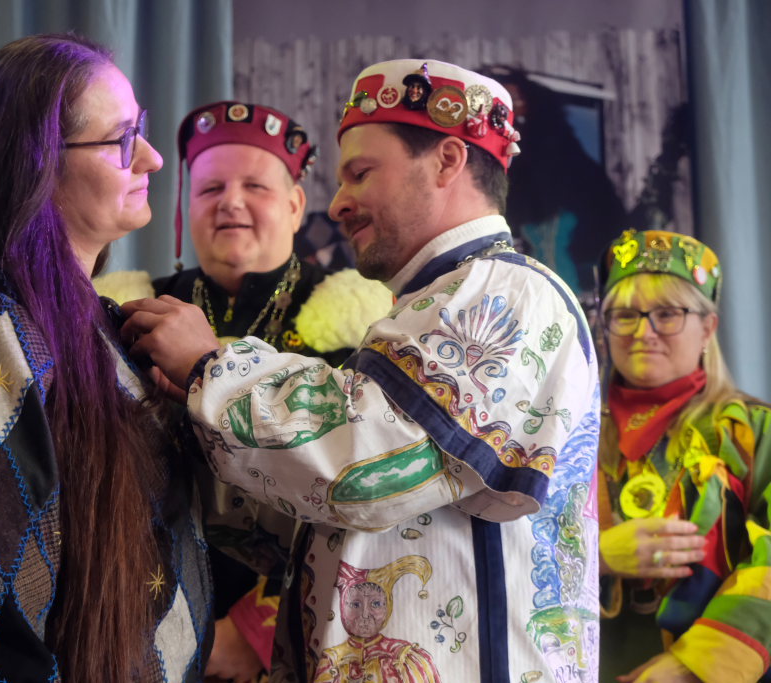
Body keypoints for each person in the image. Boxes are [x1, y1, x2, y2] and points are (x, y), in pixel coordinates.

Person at [123, 59, 601, 682]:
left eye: (360, 173)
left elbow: (367, 467)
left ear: (448, 161)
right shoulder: (425, 308)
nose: (339, 203)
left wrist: (210, 367)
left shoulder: (505, 292)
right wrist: (189, 415)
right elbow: (313, 519)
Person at [0, 35, 211, 682]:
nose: (154, 157)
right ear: (38, 163)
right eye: (122, 139)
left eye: (142, 130)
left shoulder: (95, 322)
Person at [95, 100, 392, 681]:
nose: (230, 202)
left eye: (254, 186)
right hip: (141, 623)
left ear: (295, 205)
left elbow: (369, 500)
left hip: (299, 632)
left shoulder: (360, 326)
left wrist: (256, 630)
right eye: (210, 189)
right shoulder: (131, 313)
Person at [596, 229, 771, 683]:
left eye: (668, 314)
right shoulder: (564, 434)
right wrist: (596, 556)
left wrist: (694, 667)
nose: (643, 332)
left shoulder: (757, 432)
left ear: (708, 328)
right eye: (625, 315)